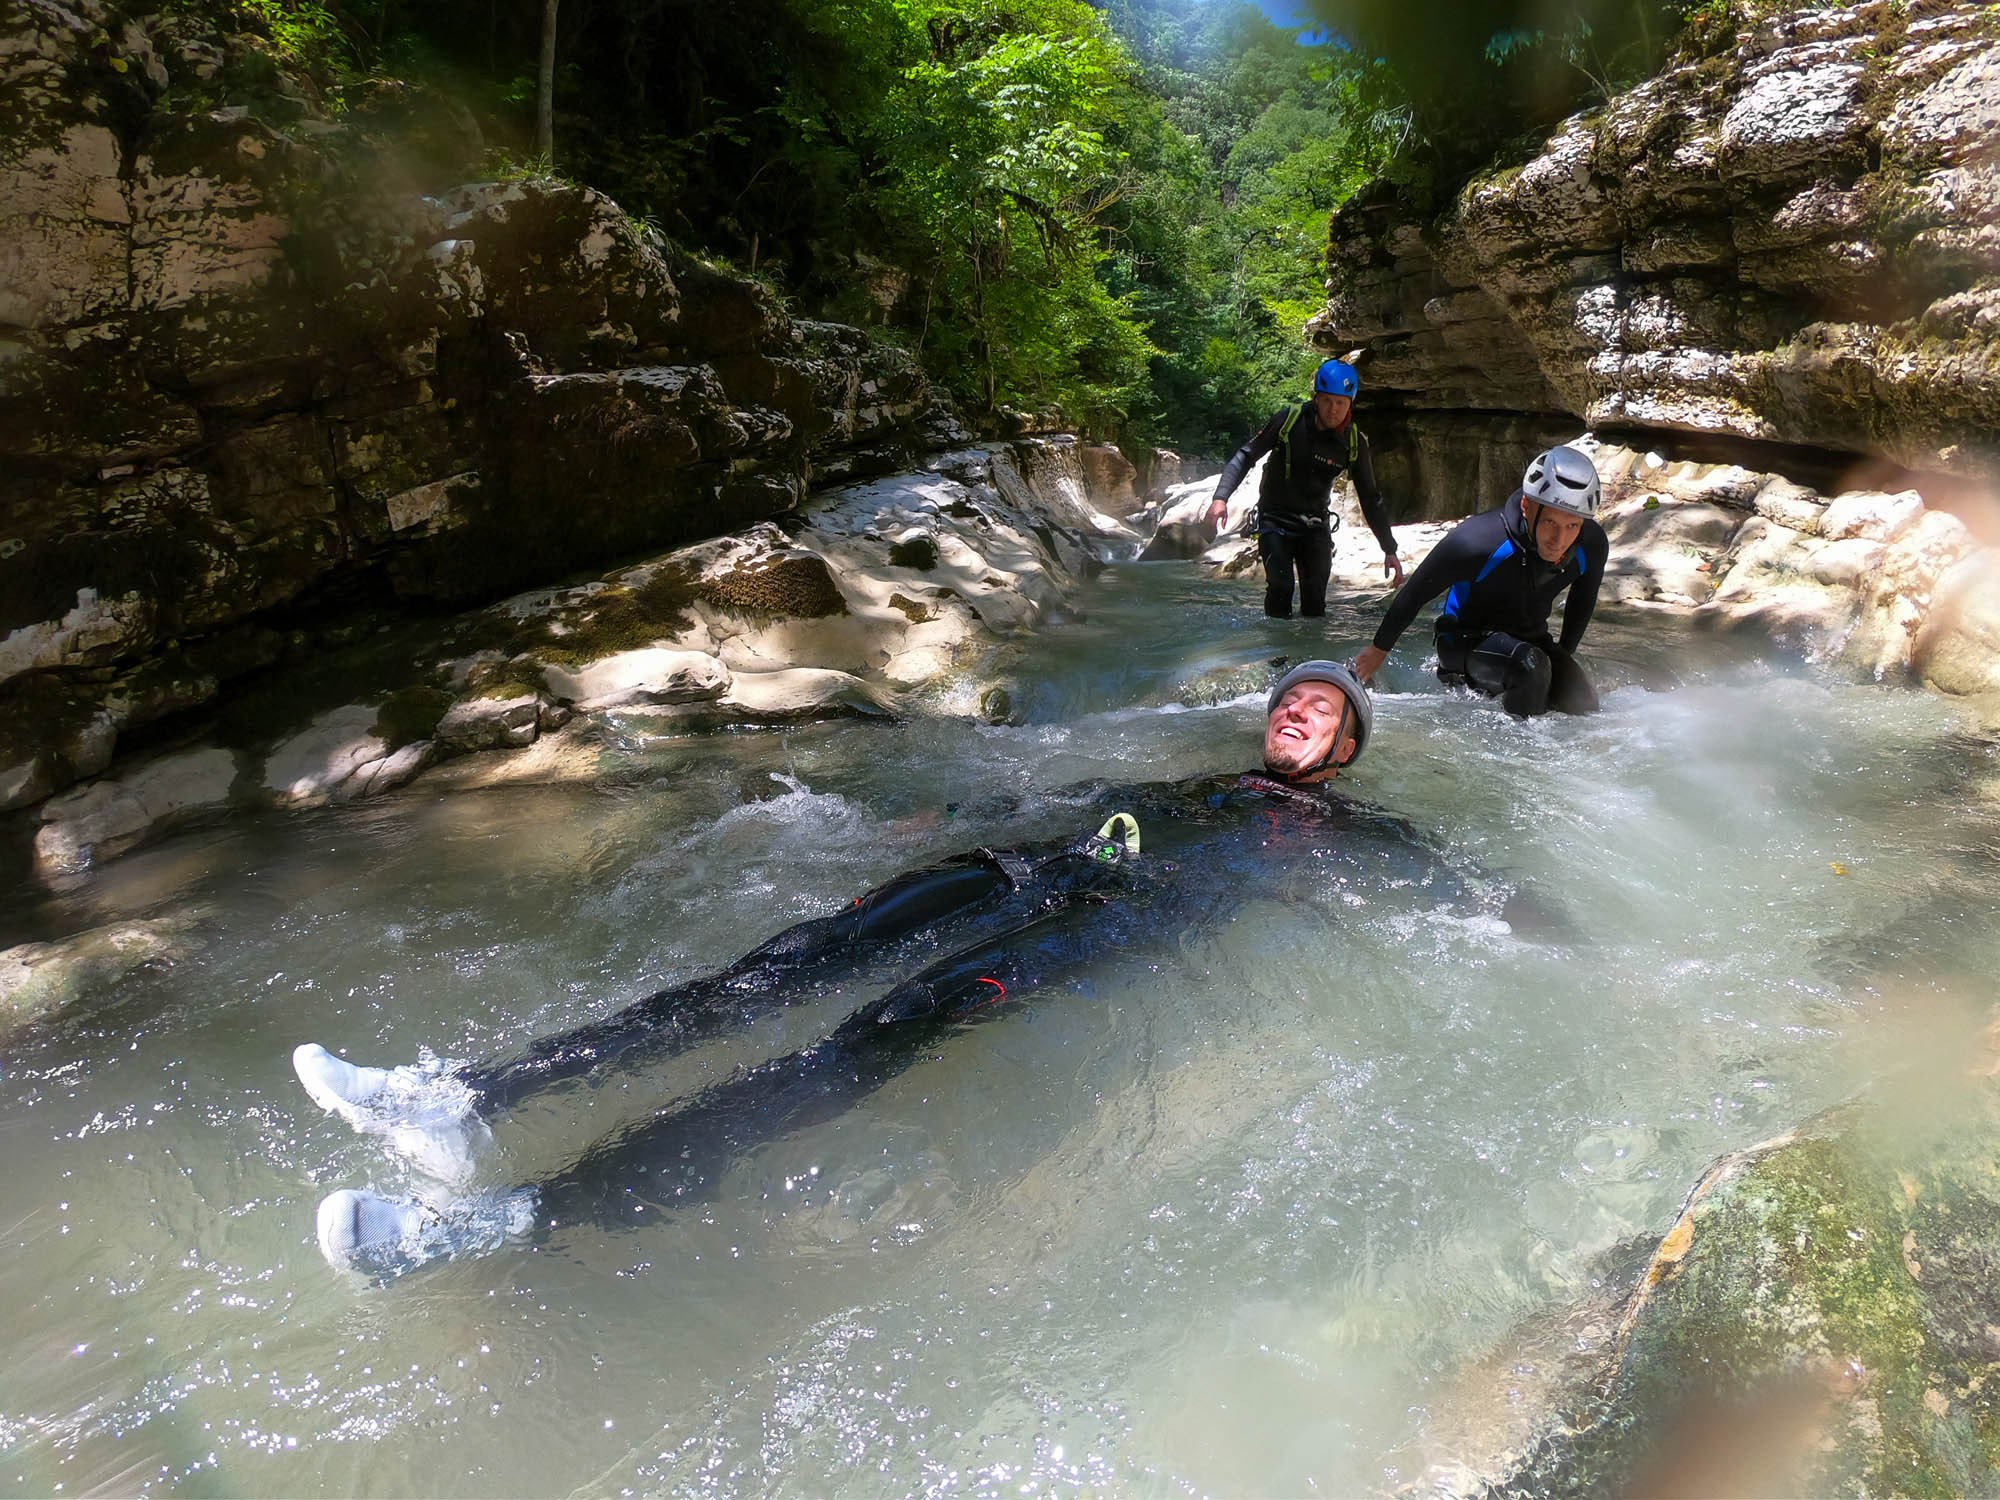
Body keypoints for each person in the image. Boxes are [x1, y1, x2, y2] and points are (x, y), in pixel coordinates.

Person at [295, 663, 1498, 1277]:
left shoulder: (1339, 830)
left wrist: (1517, 921)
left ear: (1342, 752)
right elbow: (1064, 799)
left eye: (1320, 714)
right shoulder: (1186, 785)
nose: (1297, 711)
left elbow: (1451, 890)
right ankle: (461, 1099)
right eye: (1289, 701)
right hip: (1023, 868)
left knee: (868, 1036)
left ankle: (498, 1225)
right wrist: (938, 821)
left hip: (1107, 921)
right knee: (779, 963)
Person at [1353, 444, 1607, 718]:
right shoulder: (1477, 541)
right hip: (1464, 640)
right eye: (1550, 523)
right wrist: (1378, 651)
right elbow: (1414, 594)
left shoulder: (1590, 545)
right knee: (1530, 668)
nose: (1559, 540)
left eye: (1572, 526)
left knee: (1581, 699)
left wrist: (1563, 661)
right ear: (1526, 506)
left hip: (1531, 641)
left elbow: (1582, 601)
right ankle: (1523, 755)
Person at [1205, 358, 1404, 619]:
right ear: (1316, 398)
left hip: (1315, 526)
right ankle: (1276, 658)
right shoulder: (1289, 421)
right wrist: (1221, 498)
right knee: (1281, 587)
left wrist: (1389, 548)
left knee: (1315, 601)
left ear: (1350, 403)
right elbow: (1246, 455)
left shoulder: (1353, 442)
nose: (1333, 410)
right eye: (1327, 401)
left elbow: (1370, 498)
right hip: (1274, 520)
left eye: (1341, 403)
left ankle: (1310, 657)